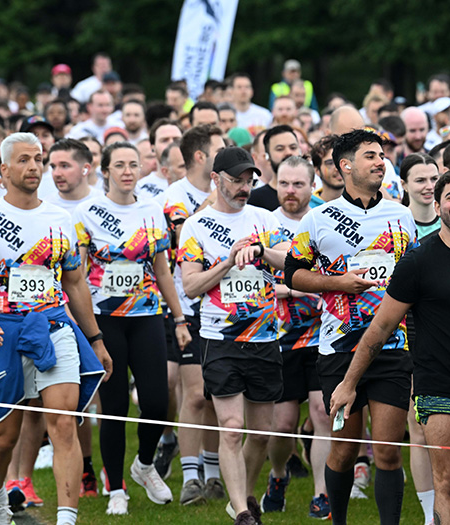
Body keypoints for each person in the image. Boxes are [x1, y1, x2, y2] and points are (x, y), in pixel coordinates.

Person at [0, 132, 111, 525]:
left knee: (63, 422)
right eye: (23, 160)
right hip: (3, 333)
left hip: (54, 327)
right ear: (4, 170)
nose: (33, 167)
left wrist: (95, 338)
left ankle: (66, 518)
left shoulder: (61, 219)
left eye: (37, 159)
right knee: (4, 436)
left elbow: (75, 283)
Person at [328, 170, 450, 525]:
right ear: (436, 206)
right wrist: (348, 384)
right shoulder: (417, 260)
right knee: (449, 481)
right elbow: (381, 327)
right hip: (438, 384)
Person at [285, 129, 418, 525]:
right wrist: (336, 283)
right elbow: (293, 274)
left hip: (392, 347)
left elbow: (413, 275)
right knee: (343, 450)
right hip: (339, 347)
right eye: (370, 156)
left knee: (388, 451)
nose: (381, 162)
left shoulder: (401, 214)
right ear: (345, 166)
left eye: (382, 156)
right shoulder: (318, 217)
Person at [72, 141, 191, 514]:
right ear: (104, 170)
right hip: (104, 318)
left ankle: (143, 464)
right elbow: (75, 274)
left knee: (156, 401)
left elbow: (162, 270)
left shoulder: (152, 211)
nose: (127, 170)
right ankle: (116, 489)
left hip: (146, 315)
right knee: (115, 405)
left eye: (133, 164)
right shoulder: (87, 211)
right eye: (119, 164)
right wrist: (84, 326)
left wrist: (178, 317)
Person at [179, 146, 288, 525]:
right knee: (231, 427)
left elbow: (289, 263)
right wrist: (226, 261)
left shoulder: (265, 219)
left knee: (261, 433)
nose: (244, 187)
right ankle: (242, 511)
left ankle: (245, 492)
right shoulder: (195, 227)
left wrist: (260, 251)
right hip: (219, 338)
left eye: (249, 180)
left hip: (264, 336)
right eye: (236, 180)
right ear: (215, 179)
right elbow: (191, 286)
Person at [260, 155, 333, 518]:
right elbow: (260, 283)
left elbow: (335, 277)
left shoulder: (326, 221)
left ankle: (322, 493)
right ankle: (277, 474)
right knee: (283, 424)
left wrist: (296, 286)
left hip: (323, 334)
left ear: (312, 184)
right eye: (285, 184)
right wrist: (300, 288)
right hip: (279, 336)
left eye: (299, 184)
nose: (291, 191)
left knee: (322, 411)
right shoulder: (264, 224)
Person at [161, 123, 228, 506]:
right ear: (201, 155)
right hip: (189, 307)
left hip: (228, 307)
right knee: (196, 393)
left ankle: (214, 472)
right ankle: (190, 476)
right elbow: (179, 240)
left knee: (219, 392)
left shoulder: (230, 193)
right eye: (220, 148)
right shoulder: (176, 196)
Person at [42, 139, 101, 213]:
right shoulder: (45, 208)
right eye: (53, 167)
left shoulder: (105, 203)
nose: (56, 173)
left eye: (64, 166)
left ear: (85, 169)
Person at [400, 153, 441, 237]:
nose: (430, 186)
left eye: (434, 179)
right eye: (420, 180)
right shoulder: (396, 225)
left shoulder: (449, 221)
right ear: (404, 185)